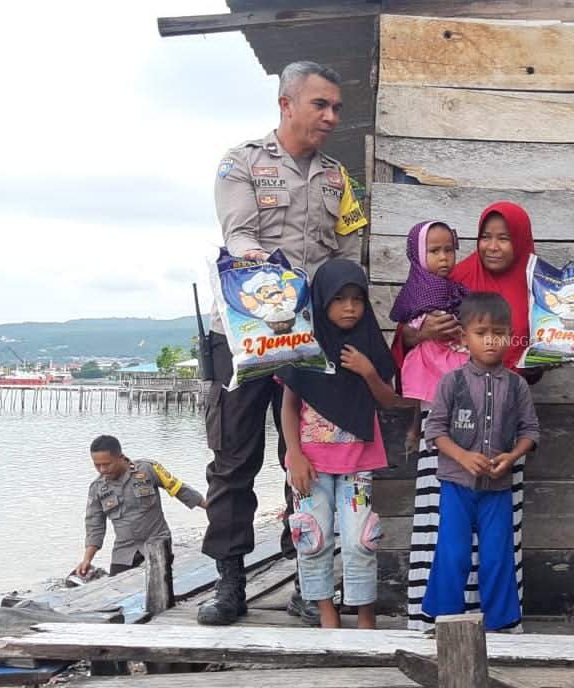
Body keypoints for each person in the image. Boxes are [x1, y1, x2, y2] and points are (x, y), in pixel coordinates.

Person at [201, 60, 369, 626]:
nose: (331, 116)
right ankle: (229, 582)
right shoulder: (241, 163)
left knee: (307, 460)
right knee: (233, 459)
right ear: (286, 104)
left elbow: (348, 253)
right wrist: (262, 265)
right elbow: (239, 235)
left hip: (311, 341)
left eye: (336, 107)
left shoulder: (339, 179)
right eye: (320, 104)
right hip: (244, 336)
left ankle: (307, 580)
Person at [399, 202, 537, 631]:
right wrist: (420, 333)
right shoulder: (451, 280)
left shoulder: (536, 283)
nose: (493, 246)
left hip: (504, 433)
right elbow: (409, 336)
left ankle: (500, 624)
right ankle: (439, 621)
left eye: (505, 237)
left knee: (498, 544)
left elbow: (554, 333)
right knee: (445, 535)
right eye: (486, 237)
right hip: (451, 438)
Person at [275, 259, 407, 629]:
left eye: (357, 299)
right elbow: (288, 406)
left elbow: (389, 400)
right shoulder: (304, 347)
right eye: (338, 299)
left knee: (360, 541)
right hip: (311, 465)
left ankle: (365, 616)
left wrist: (368, 371)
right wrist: (294, 455)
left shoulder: (370, 345)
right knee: (312, 537)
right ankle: (326, 614)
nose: (349, 307)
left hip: (357, 462)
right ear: (321, 300)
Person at [421, 292, 540, 631]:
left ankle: (499, 625)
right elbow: (435, 431)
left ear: (510, 337)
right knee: (453, 552)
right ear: (464, 337)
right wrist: (462, 456)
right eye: (481, 332)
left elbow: (530, 431)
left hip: (498, 487)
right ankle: (446, 621)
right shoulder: (452, 381)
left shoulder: (517, 385)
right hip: (456, 485)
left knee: (496, 555)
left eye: (499, 333)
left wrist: (512, 456)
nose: (490, 340)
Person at [388, 220, 470, 451]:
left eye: (449, 250)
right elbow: (410, 323)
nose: (444, 258)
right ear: (418, 254)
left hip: (452, 362)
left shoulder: (451, 287)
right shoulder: (421, 290)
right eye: (434, 251)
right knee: (436, 423)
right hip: (433, 363)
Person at [79, 435, 206, 577]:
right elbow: (94, 526)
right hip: (124, 551)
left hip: (157, 543)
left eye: (107, 464)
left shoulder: (148, 469)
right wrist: (87, 559)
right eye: (97, 465)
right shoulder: (97, 488)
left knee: (159, 582)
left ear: (121, 457)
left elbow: (180, 490)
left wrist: (213, 507)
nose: (102, 470)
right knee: (116, 585)